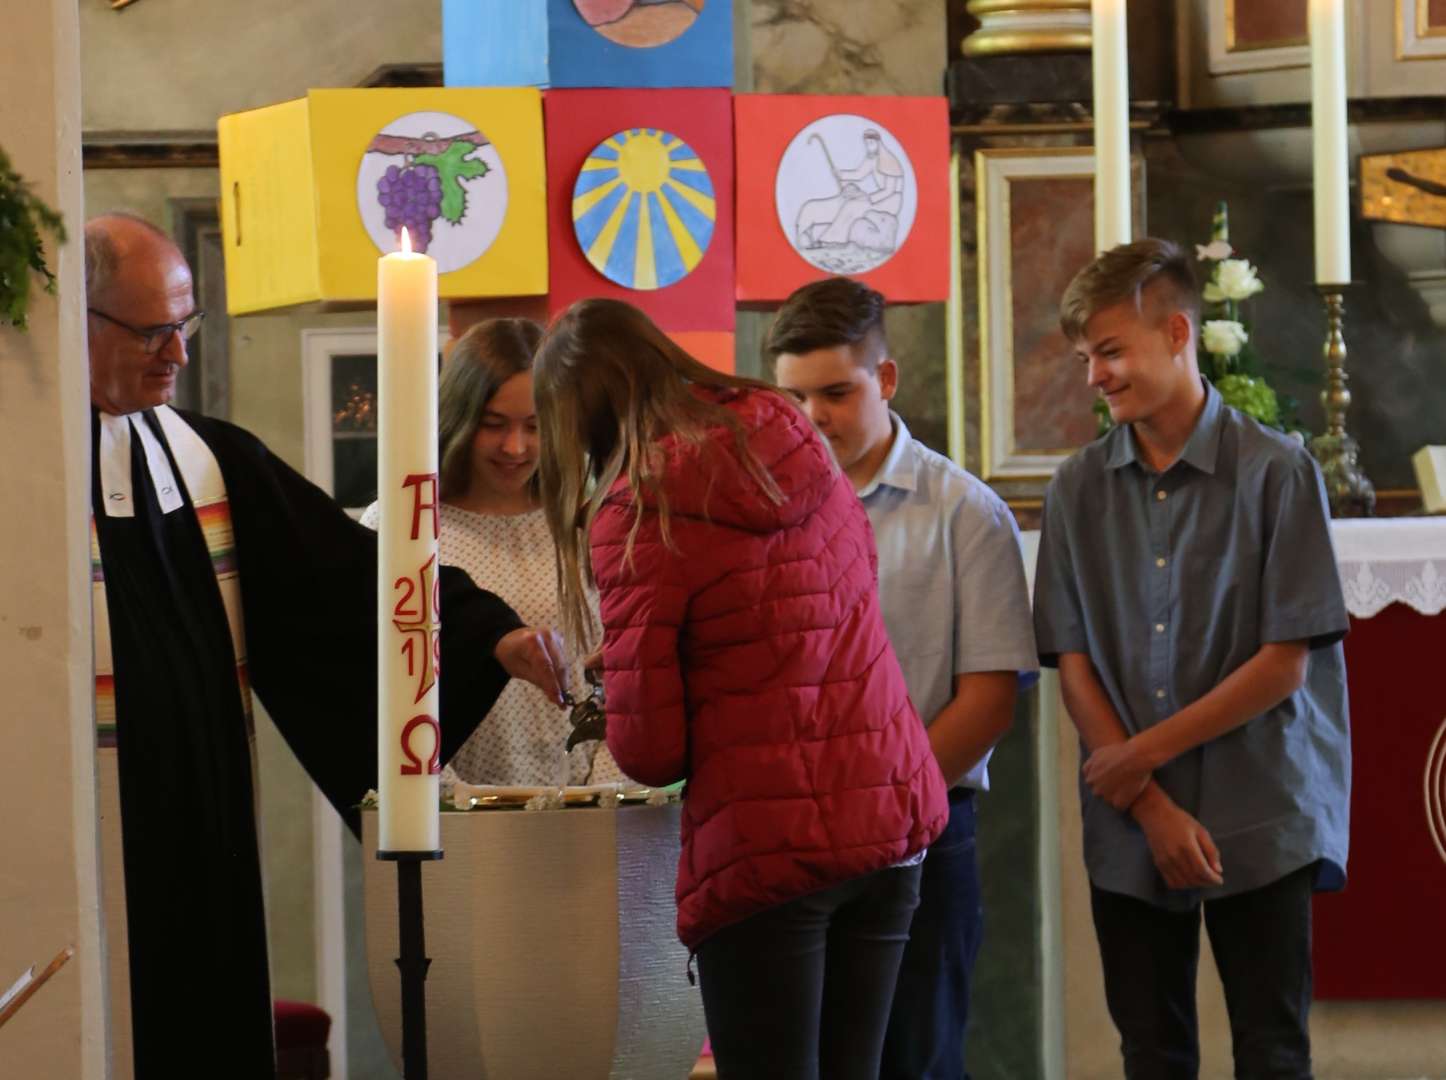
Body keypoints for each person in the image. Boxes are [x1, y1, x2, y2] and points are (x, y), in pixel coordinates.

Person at [84, 213, 567, 1078]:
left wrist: (492, 638)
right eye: (153, 331)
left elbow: (351, 577)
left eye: (185, 329)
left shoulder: (206, 460)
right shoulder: (27, 470)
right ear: (75, 321)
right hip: (80, 828)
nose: (177, 356)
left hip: (205, 821)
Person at [532, 298, 948, 1080]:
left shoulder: (637, 505)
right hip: (888, 815)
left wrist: (624, 676)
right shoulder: (787, 428)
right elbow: (844, 600)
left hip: (767, 846)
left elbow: (650, 752)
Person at [1033, 238, 1350, 1079]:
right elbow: (1072, 658)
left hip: (1260, 799)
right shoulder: (1075, 491)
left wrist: (1141, 757)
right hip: (1130, 822)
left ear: (1176, 333)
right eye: (1084, 358)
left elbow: (1286, 660)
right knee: (1154, 1052)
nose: (1094, 376)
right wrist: (1149, 805)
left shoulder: (1278, 472)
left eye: (1110, 352)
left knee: (1274, 1050)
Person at [768, 277, 1038, 1080]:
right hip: (791, 833)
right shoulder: (766, 507)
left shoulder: (965, 513)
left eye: (836, 393)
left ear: (885, 380)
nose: (814, 417)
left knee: (915, 1056)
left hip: (923, 828)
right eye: (794, 399)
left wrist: (882, 807)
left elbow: (988, 701)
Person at [361, 318, 624, 788]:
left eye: (535, 427)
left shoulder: (590, 522)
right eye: (494, 425)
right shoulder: (406, 524)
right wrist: (448, 800)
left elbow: (625, 670)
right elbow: (382, 680)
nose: (515, 447)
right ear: (458, 419)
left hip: (588, 803)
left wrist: (604, 787)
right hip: (453, 811)